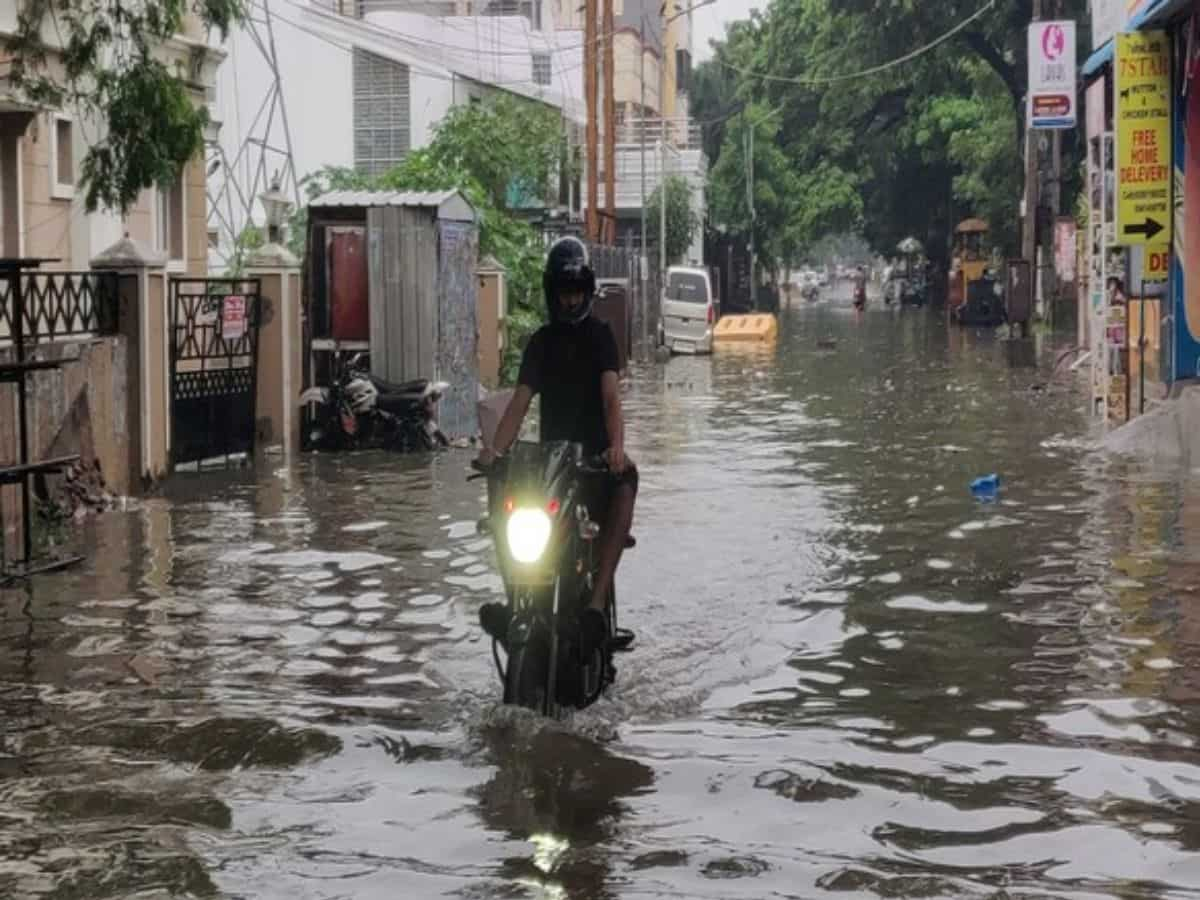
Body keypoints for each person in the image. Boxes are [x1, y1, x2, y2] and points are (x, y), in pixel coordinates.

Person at [475, 236, 638, 654]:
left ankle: (596, 609)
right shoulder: (541, 342)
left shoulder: (601, 337)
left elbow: (610, 398)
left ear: (586, 292)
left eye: (576, 292)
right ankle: (516, 600)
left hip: (595, 463)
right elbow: (519, 403)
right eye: (564, 293)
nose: (570, 301)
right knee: (499, 498)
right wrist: (494, 452)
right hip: (551, 466)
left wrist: (616, 448)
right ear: (553, 294)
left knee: (629, 478)